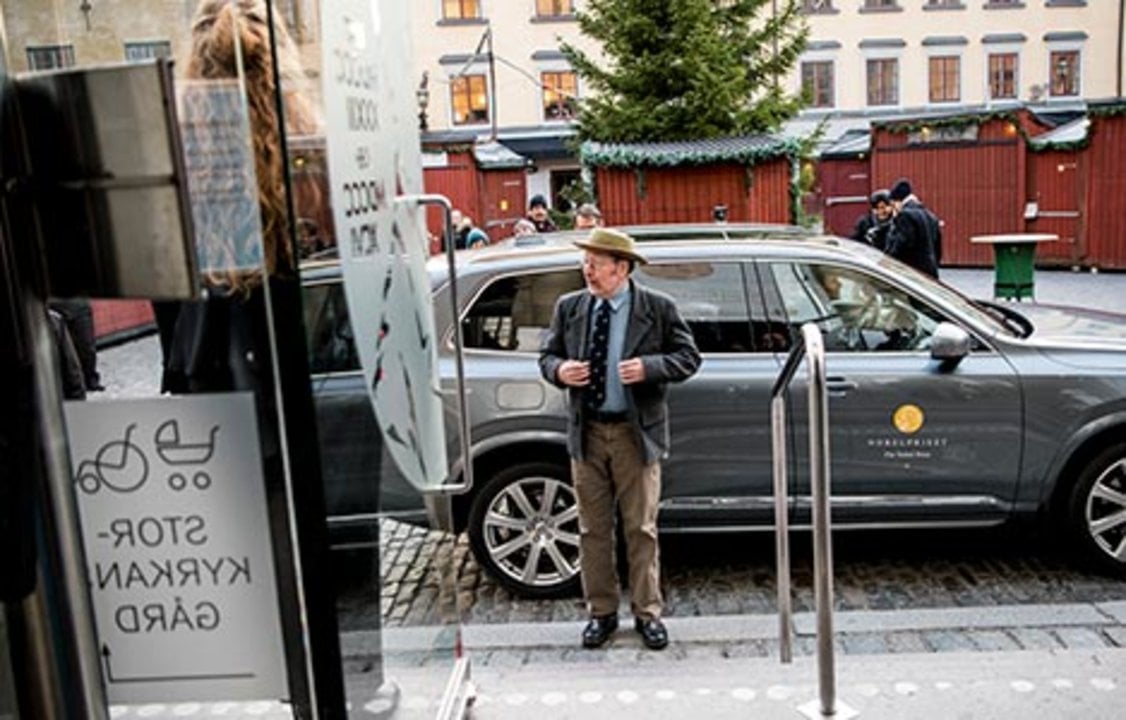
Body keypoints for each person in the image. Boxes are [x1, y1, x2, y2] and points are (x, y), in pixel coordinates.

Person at [539, 228, 701, 651]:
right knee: (593, 529)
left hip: (634, 435)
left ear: (622, 268)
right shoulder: (570, 306)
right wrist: (559, 371)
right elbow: (546, 355)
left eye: (596, 264)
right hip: (587, 433)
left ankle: (648, 613)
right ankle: (602, 613)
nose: (587, 271)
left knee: (641, 529)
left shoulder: (657, 307)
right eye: (585, 264)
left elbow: (689, 358)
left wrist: (650, 367)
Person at [887, 178, 941, 278]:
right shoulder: (930, 216)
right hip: (931, 272)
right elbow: (937, 248)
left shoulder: (904, 215)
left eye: (893, 204)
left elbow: (902, 245)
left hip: (912, 273)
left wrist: (887, 260)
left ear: (897, 201)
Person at [48, 299, 102, 391]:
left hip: (79, 306)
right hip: (55, 308)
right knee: (66, 353)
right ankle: (73, 385)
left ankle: (89, 380)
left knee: (87, 348)